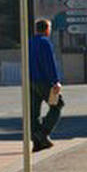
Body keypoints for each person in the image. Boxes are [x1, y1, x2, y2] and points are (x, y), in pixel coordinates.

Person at [28, 18, 63, 151]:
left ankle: (37, 142)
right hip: (44, 81)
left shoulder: (29, 42)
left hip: (30, 81)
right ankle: (43, 133)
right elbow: (49, 63)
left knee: (34, 111)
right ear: (47, 30)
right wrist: (55, 81)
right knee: (57, 105)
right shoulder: (45, 42)